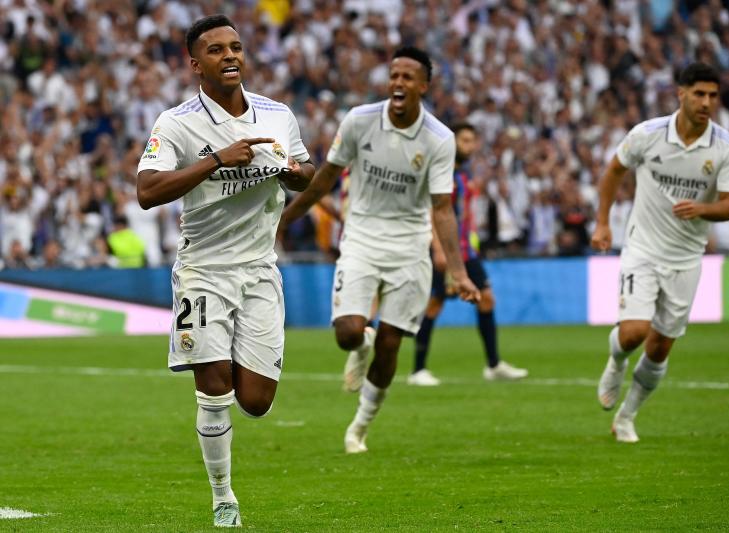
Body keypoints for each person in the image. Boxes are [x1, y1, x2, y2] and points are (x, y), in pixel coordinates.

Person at [136, 15, 314, 527]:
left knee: (255, 402)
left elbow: (307, 174)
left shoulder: (277, 114)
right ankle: (223, 499)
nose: (229, 55)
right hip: (204, 271)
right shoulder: (176, 123)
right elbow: (147, 192)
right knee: (214, 386)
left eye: (235, 47)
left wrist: (292, 171)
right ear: (196, 64)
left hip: (259, 270)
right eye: (215, 50)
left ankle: (222, 362)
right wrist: (215, 160)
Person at [280, 46, 480, 454]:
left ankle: (359, 426)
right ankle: (359, 346)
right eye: (394, 75)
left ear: (423, 86)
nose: (398, 83)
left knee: (392, 341)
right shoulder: (359, 121)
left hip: (409, 246)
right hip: (362, 239)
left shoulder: (440, 140)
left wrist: (458, 274)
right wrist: (284, 218)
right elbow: (324, 180)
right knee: (348, 333)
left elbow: (442, 209)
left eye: (408, 77)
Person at [591, 62, 729, 443]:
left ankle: (627, 416)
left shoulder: (724, 146)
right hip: (642, 247)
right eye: (699, 94)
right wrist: (603, 223)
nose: (706, 102)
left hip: (686, 258)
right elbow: (612, 172)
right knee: (633, 334)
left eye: (712, 95)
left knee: (659, 348)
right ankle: (616, 361)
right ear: (681, 93)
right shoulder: (648, 134)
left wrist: (701, 209)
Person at [409, 123, 528, 386]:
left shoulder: (461, 174)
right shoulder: (441, 172)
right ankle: (418, 370)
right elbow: (433, 211)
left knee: (486, 298)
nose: (470, 146)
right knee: (434, 304)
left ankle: (494, 365)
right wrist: (438, 250)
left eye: (472, 141)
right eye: (464, 140)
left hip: (466, 250)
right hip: (445, 250)